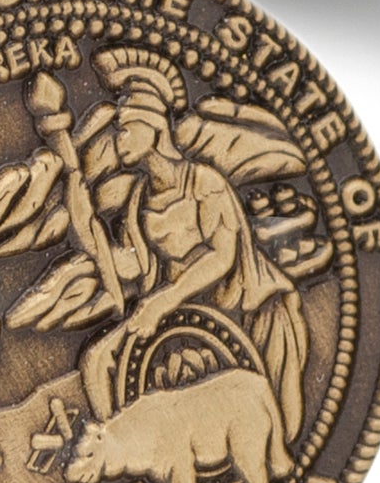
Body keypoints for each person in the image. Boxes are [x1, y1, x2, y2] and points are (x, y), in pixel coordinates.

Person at [84, 52, 309, 442]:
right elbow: (139, 267)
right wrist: (93, 243)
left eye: (125, 129)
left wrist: (164, 301)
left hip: (243, 306)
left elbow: (223, 257)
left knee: (275, 419)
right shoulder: (138, 198)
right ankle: (114, 449)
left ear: (155, 128)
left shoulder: (204, 182)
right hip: (180, 310)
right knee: (97, 358)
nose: (118, 140)